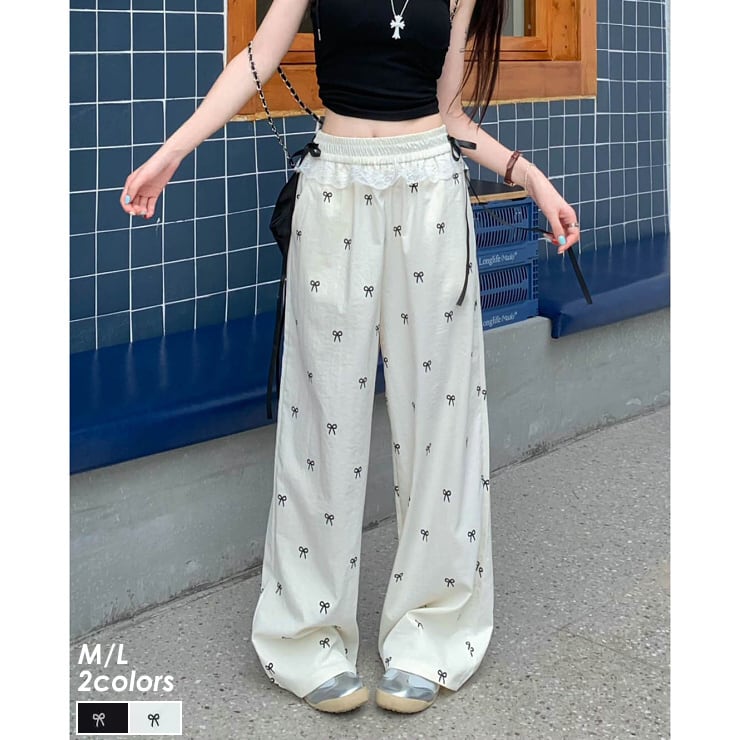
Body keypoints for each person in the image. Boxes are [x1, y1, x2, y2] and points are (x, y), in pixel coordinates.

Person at [120, 0, 579, 716]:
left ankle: (432, 632)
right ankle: (306, 635)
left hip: (431, 193)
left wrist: (533, 176)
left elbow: (448, 113)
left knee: (441, 424)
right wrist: (174, 150)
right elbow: (256, 60)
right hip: (335, 190)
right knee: (321, 419)